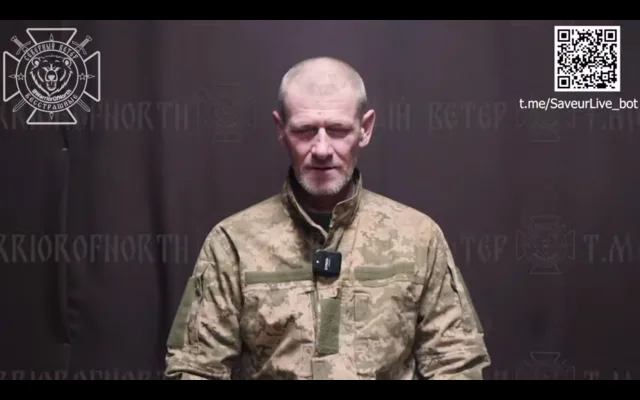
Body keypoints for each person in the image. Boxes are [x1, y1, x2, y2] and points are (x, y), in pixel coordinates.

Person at [164, 57, 491, 380]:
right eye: (305, 130)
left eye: (337, 130)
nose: (322, 149)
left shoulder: (419, 237)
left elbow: (456, 363)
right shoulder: (231, 243)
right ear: (281, 130)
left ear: (365, 129)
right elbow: (194, 368)